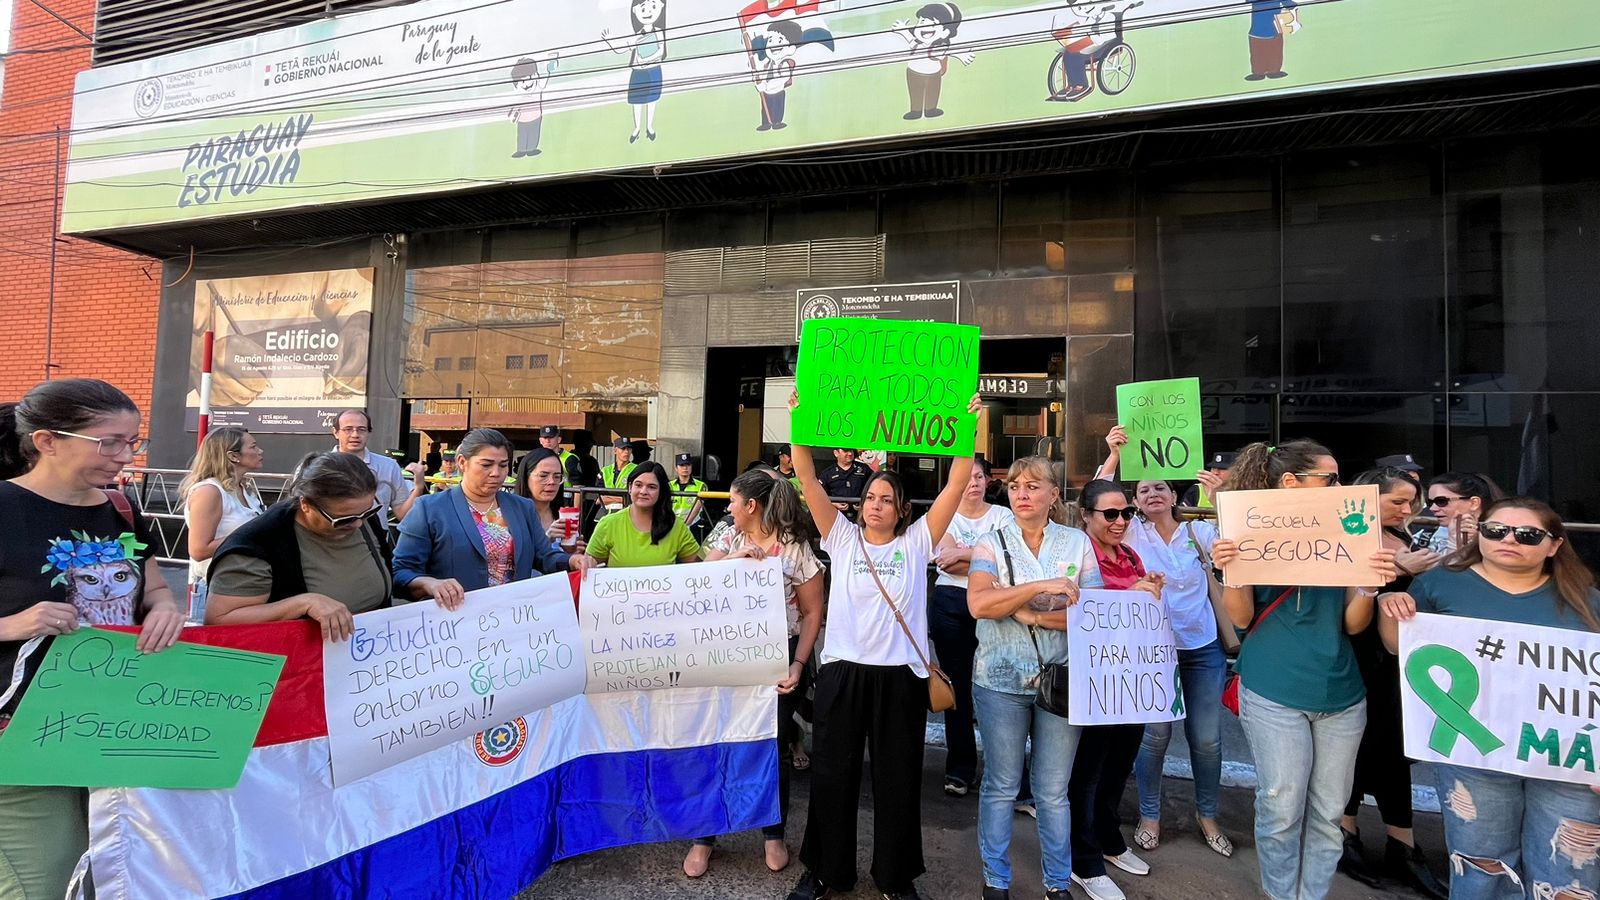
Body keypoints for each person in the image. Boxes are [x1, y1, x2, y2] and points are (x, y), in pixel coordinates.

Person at [783, 391, 981, 900]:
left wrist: (969, 428)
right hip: (843, 675)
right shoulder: (840, 538)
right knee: (832, 779)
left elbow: (958, 482)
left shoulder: (918, 542)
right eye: (870, 497)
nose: (876, 505)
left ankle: (895, 877)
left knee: (897, 783)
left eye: (886, 499)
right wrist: (801, 417)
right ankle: (826, 871)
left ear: (902, 508)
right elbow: (805, 474)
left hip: (902, 680)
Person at [0, 380, 185, 900]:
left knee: (109, 880)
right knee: (43, 884)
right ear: (46, 440)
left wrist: (165, 609)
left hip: (113, 729)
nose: (124, 456)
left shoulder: (119, 508)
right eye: (109, 442)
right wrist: (12, 625)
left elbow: (153, 590)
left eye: (133, 442)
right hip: (20, 743)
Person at [1377, 497, 1600, 900]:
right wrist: (1387, 604)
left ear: (1554, 544)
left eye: (1527, 534)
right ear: (1479, 534)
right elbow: (1397, 647)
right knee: (1480, 866)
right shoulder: (1439, 584)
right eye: (1495, 530)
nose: (1509, 540)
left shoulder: (1588, 602)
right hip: (1473, 756)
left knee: (1570, 876)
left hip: (1569, 762)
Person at [1210, 439, 1397, 900]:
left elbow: (1353, 625)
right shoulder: (1249, 529)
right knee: (1280, 804)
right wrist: (1230, 570)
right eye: (1330, 478)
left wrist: (1369, 589)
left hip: (1341, 694)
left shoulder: (1353, 530)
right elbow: (1239, 617)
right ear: (1292, 482)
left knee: (1330, 811)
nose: (1340, 485)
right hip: (1273, 689)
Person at [965, 456, 1100, 900]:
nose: (1022, 493)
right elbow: (980, 605)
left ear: (1053, 494)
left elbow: (1091, 613)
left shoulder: (1077, 542)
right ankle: (996, 880)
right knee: (1002, 785)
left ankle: (1058, 883)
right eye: (1017, 486)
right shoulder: (990, 540)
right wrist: (1037, 590)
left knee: (1052, 791)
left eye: (1034, 486)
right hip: (998, 679)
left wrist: (1026, 614)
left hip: (1061, 678)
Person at [682, 469, 824, 878]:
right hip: (723, 664)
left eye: (733, 500)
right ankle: (704, 836)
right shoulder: (727, 537)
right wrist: (731, 561)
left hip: (778, 666)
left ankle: (773, 832)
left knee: (771, 748)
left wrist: (798, 664)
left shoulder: (794, 548)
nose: (727, 506)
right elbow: (692, 585)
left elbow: (813, 611)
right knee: (717, 744)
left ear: (752, 506)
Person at [1337, 468, 1447, 899]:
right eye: (1397, 501)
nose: (1408, 509)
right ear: (1369, 499)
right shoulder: (1351, 536)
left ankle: (1403, 843)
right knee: (1361, 746)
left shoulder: (1410, 536)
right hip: (1360, 654)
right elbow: (1345, 591)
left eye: (1412, 501)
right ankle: (1347, 835)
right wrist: (1399, 568)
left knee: (1397, 747)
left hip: (1404, 659)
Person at [1125, 477, 1234, 860]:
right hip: (1152, 652)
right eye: (1143, 491)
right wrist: (1113, 455)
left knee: (1206, 740)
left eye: (1160, 489)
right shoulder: (1132, 532)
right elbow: (1095, 500)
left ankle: (1208, 816)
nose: (1152, 494)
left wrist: (1220, 494)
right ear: (1135, 501)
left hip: (1203, 648)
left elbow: (1237, 535)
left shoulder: (1198, 531)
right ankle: (1150, 815)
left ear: (1174, 496)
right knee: (1154, 737)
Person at [1068, 480, 1166, 900]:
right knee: (1087, 771)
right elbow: (1078, 604)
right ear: (1086, 515)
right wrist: (1133, 593)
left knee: (1119, 764)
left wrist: (1151, 592)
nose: (1121, 520)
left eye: (1126, 512)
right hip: (1094, 679)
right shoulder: (1075, 552)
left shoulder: (1131, 555)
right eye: (1110, 514)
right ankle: (1082, 858)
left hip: (1130, 678)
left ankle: (1108, 838)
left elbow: (1139, 613)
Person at [393, 429, 595, 608]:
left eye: (503, 465)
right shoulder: (429, 509)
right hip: (454, 623)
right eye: (486, 465)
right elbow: (401, 573)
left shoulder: (521, 507)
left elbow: (544, 556)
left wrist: (572, 560)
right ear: (462, 462)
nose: (496, 473)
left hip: (514, 620)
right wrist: (430, 583)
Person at [206, 452, 396, 641]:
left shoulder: (360, 517)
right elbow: (219, 620)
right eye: (344, 520)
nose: (358, 524)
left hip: (367, 654)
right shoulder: (258, 544)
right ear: (305, 504)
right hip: (296, 663)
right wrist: (303, 603)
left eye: (368, 512)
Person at [930, 455, 1014, 798]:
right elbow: (942, 559)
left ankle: (1004, 773)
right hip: (950, 606)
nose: (974, 483)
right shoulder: (943, 514)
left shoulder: (1004, 516)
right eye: (967, 477)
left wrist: (964, 557)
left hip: (996, 608)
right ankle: (960, 768)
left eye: (979, 476)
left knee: (999, 689)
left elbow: (1009, 564)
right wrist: (983, 558)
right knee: (958, 690)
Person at [181, 425, 266, 621]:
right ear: (233, 456)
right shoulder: (209, 492)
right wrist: (253, 534)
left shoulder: (243, 489)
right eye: (253, 446)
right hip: (217, 589)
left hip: (246, 585)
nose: (260, 451)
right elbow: (199, 549)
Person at [586, 461, 701, 567]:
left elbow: (700, 567)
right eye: (638, 485)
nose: (643, 491)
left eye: (651, 487)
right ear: (630, 488)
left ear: (661, 492)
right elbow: (589, 566)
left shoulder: (676, 526)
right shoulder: (608, 524)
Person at [332, 409, 424, 526]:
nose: (355, 435)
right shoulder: (317, 466)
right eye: (348, 429)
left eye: (361, 430)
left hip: (375, 542)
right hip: (328, 542)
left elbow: (403, 515)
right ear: (335, 432)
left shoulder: (389, 466)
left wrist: (419, 487)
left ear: (368, 432)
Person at [601, 0, 667, 143]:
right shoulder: (636, 36)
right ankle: (636, 128)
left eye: (653, 7)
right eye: (643, 9)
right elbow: (621, 49)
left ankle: (649, 128)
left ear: (661, 7)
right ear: (635, 11)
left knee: (652, 101)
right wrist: (610, 41)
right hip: (638, 73)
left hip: (653, 70)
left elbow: (661, 51)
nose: (648, 12)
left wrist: (646, 59)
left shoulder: (659, 32)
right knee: (637, 102)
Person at [515, 448, 586, 553]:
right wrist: (546, 539)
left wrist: (571, 554)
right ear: (526, 477)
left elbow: (565, 561)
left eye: (557, 477)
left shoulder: (563, 516)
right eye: (543, 476)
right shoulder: (511, 514)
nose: (552, 482)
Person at [1420, 471, 1500, 554]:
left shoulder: (1502, 537)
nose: (1433, 508)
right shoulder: (1425, 536)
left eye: (1441, 501)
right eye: (1430, 502)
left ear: (1474, 503)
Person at [818, 447, 872, 512]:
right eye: (845, 451)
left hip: (860, 515)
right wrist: (833, 504)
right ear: (836, 453)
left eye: (851, 450)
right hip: (836, 515)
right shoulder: (827, 473)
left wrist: (864, 504)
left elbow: (874, 489)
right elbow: (819, 496)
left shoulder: (864, 469)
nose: (849, 453)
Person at [669, 452, 707, 530]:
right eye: (682, 465)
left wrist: (684, 525)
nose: (685, 468)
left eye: (688, 465)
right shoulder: (669, 485)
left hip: (693, 524)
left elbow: (697, 507)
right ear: (676, 468)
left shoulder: (701, 485)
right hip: (672, 524)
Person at [600, 437, 637, 514]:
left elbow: (634, 498)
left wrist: (609, 498)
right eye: (623, 448)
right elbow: (598, 499)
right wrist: (622, 498)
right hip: (605, 514)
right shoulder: (605, 470)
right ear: (615, 451)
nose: (626, 451)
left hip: (626, 512)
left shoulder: (636, 469)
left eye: (629, 448)